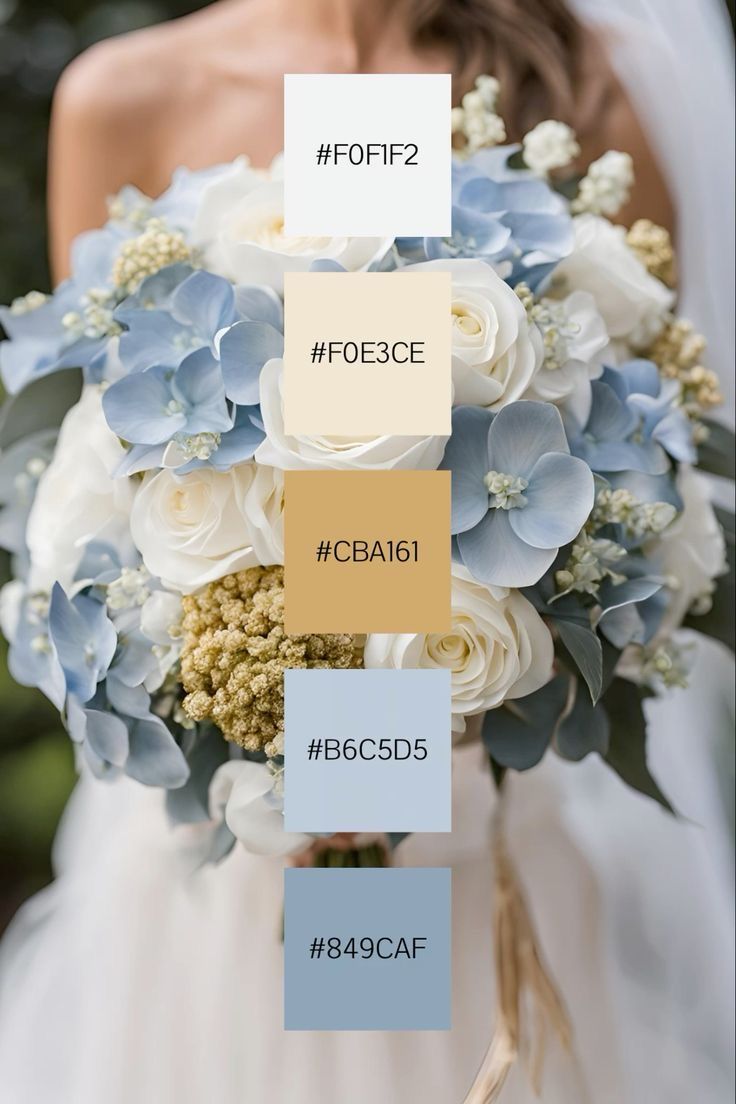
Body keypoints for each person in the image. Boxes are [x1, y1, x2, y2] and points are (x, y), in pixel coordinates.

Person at [0, 2, 733, 1102]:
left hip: (485, 819)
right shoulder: (125, 96)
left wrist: (375, 725)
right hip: (226, 846)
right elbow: (118, 460)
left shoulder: (585, 82)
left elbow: (636, 457)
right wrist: (284, 718)